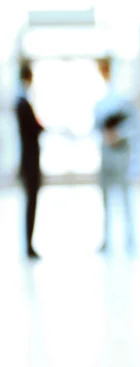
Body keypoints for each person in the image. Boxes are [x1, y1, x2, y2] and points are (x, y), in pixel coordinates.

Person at [94, 57, 140, 253]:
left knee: (125, 198)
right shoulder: (100, 99)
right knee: (106, 199)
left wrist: (118, 134)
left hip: (121, 153)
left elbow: (135, 125)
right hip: (106, 153)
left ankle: (130, 238)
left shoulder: (123, 97)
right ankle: (107, 239)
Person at [14, 61, 44, 259]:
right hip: (30, 161)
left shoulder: (22, 102)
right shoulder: (23, 103)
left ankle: (29, 244)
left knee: (30, 203)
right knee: (30, 203)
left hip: (28, 160)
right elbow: (34, 129)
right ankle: (28, 245)